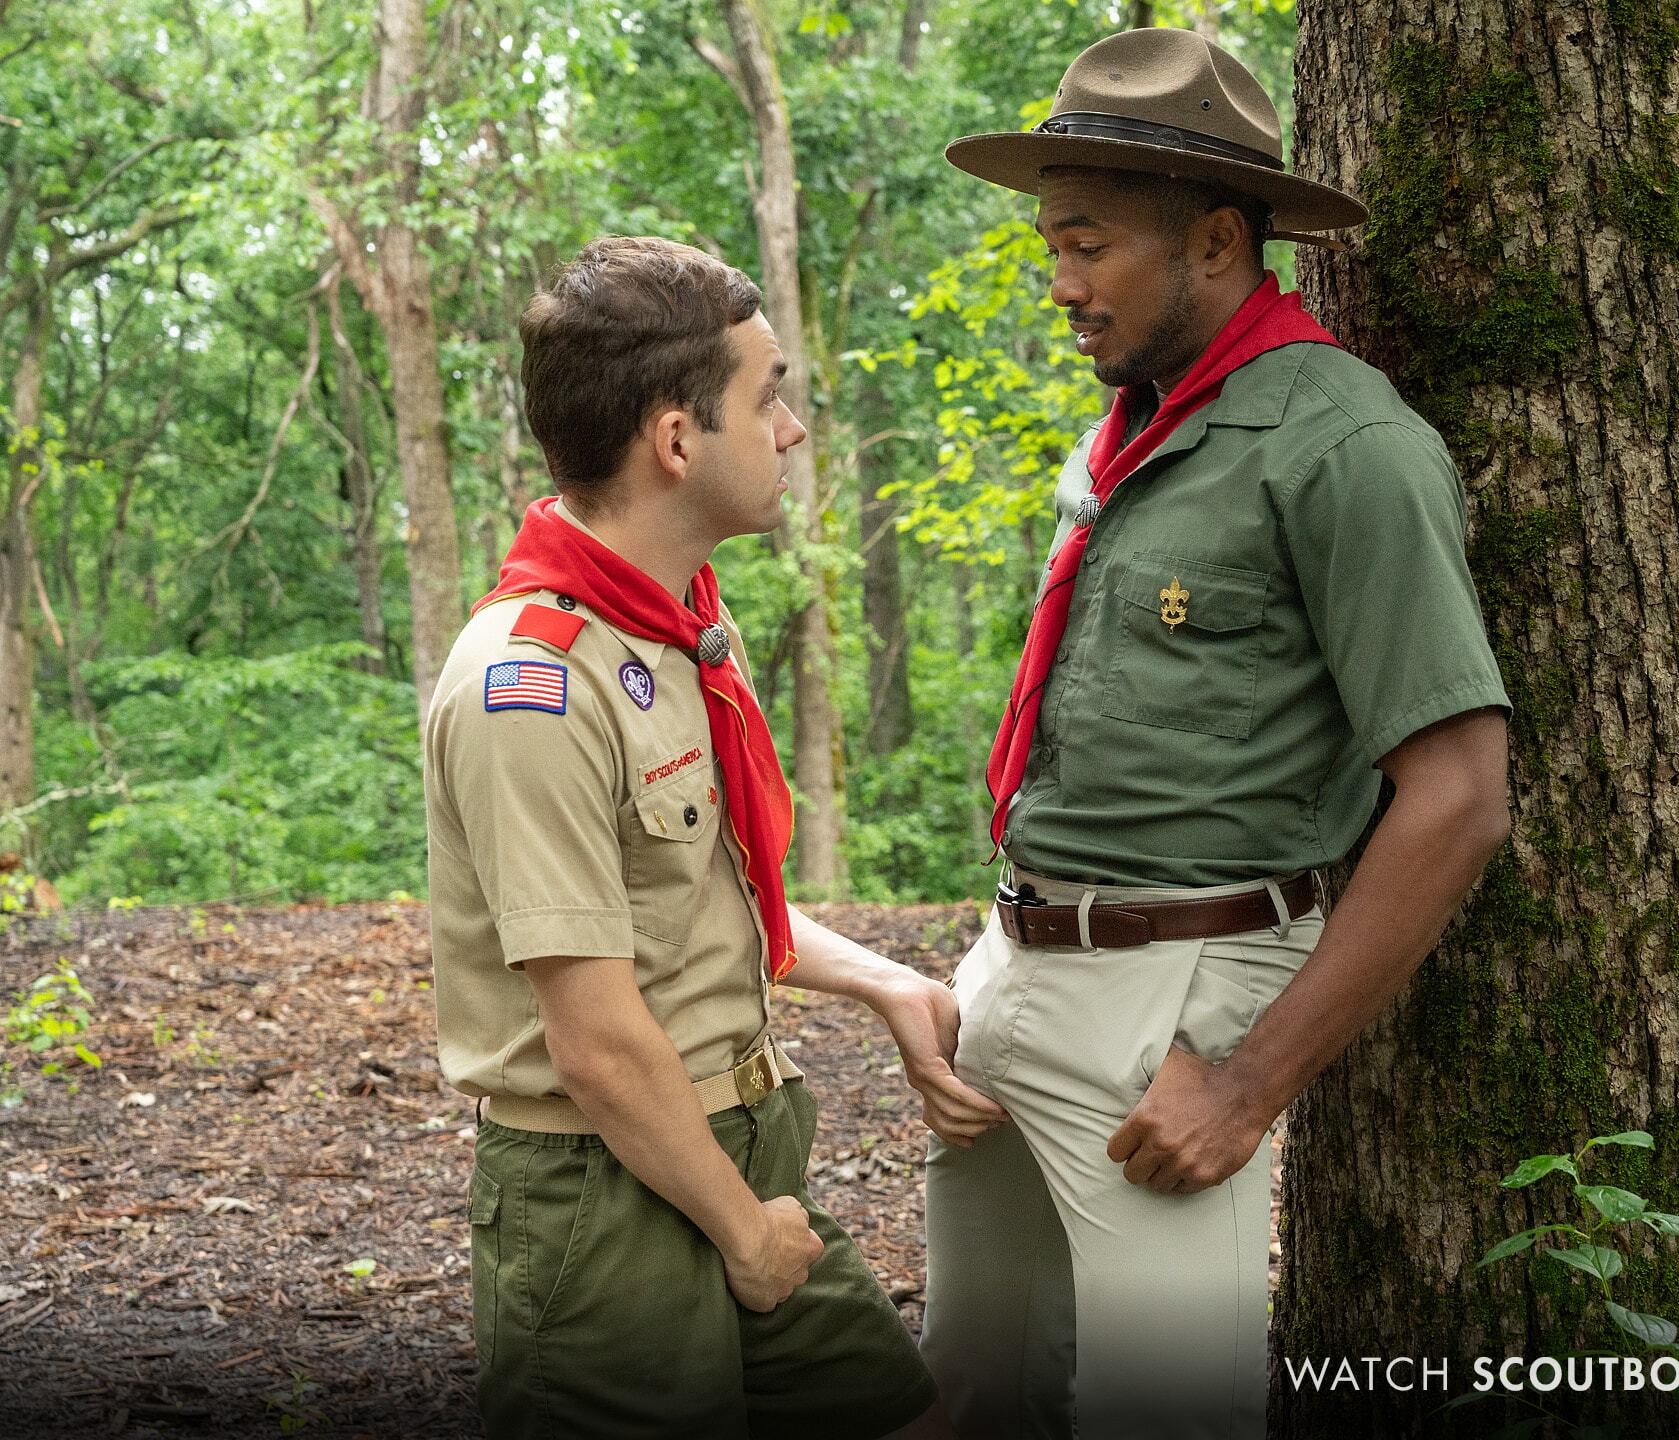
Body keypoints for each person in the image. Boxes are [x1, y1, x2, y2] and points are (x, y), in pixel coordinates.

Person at [915, 28, 1515, 1440]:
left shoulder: (1347, 447)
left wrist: (1247, 1086)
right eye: (1051, 245)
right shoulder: (1135, 425)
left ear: (1219, 241)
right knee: (971, 1396)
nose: (1060, 283)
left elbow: (1459, 795)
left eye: (1088, 246)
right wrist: (986, 988)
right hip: (1017, 968)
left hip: (1173, 1018)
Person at [424, 235, 994, 1439]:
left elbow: (697, 898)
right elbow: (595, 1040)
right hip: (603, 1199)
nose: (792, 430)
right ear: (677, 441)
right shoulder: (532, 685)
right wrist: (746, 1234)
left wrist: (884, 980)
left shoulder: (667, 625)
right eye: (768, 397)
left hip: (732, 1147)